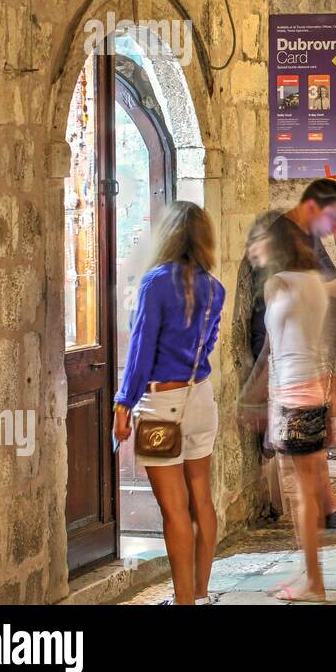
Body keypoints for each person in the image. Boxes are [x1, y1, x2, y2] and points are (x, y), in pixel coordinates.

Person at [113, 201, 225, 605]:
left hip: (161, 405)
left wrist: (124, 404)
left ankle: (183, 603)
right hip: (201, 399)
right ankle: (200, 592)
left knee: (174, 510)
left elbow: (142, 349)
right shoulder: (215, 288)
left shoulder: (156, 282)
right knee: (202, 499)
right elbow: (208, 344)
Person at [248, 180, 336, 530]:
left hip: (320, 347)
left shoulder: (305, 233)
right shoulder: (281, 236)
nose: (335, 228)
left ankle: (287, 426)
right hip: (303, 351)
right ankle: (327, 509)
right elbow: (279, 291)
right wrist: (330, 289)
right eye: (333, 218)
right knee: (327, 418)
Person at [259, 216, 334, 602]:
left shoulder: (284, 286)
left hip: (293, 396)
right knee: (305, 490)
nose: (254, 249)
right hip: (312, 391)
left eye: (260, 242)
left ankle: (314, 582)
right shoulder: (314, 283)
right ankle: (307, 570)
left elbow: (277, 349)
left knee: (301, 493)